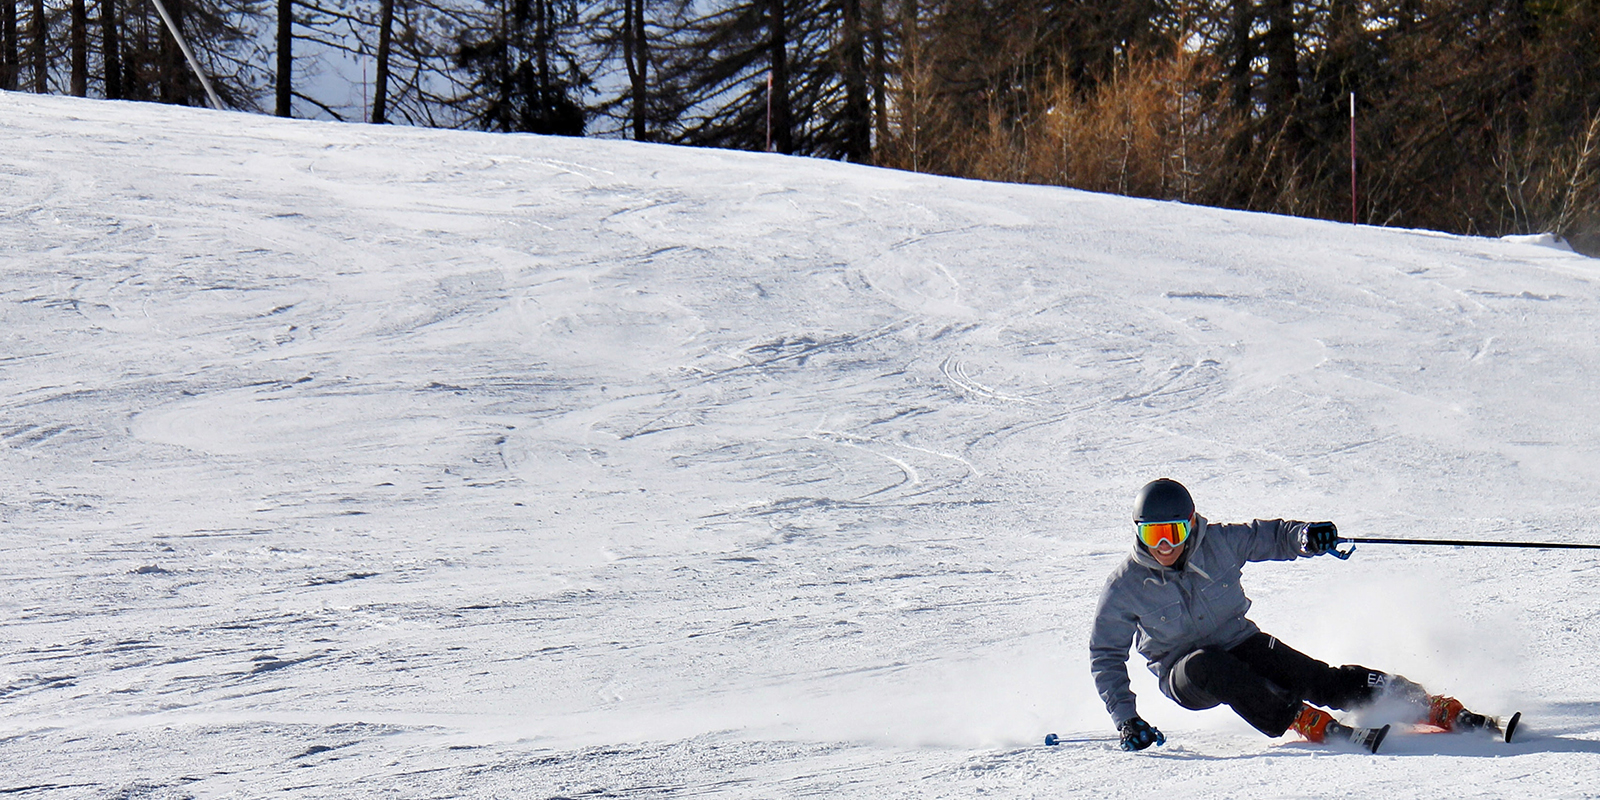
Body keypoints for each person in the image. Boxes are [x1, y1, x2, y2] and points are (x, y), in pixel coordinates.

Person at [1089, 478, 1491, 751]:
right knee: (1207, 665)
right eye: (1152, 535)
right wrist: (1127, 719)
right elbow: (1105, 654)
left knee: (1316, 677)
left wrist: (1306, 537)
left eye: (1172, 533)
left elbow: (1272, 535)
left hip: (1238, 641)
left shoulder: (1221, 543)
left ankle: (1420, 702)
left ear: (1191, 525)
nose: (1163, 547)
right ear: (1137, 532)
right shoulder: (1125, 586)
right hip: (1185, 674)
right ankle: (1298, 717)